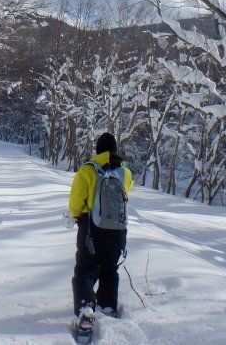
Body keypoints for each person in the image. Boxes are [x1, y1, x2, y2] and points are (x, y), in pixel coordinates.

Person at [68, 132, 133, 320]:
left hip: (91, 230)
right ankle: (107, 307)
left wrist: (76, 216)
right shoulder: (125, 172)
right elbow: (127, 191)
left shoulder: (88, 169)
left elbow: (76, 202)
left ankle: (86, 308)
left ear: (97, 149)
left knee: (84, 269)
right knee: (109, 270)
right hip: (117, 231)